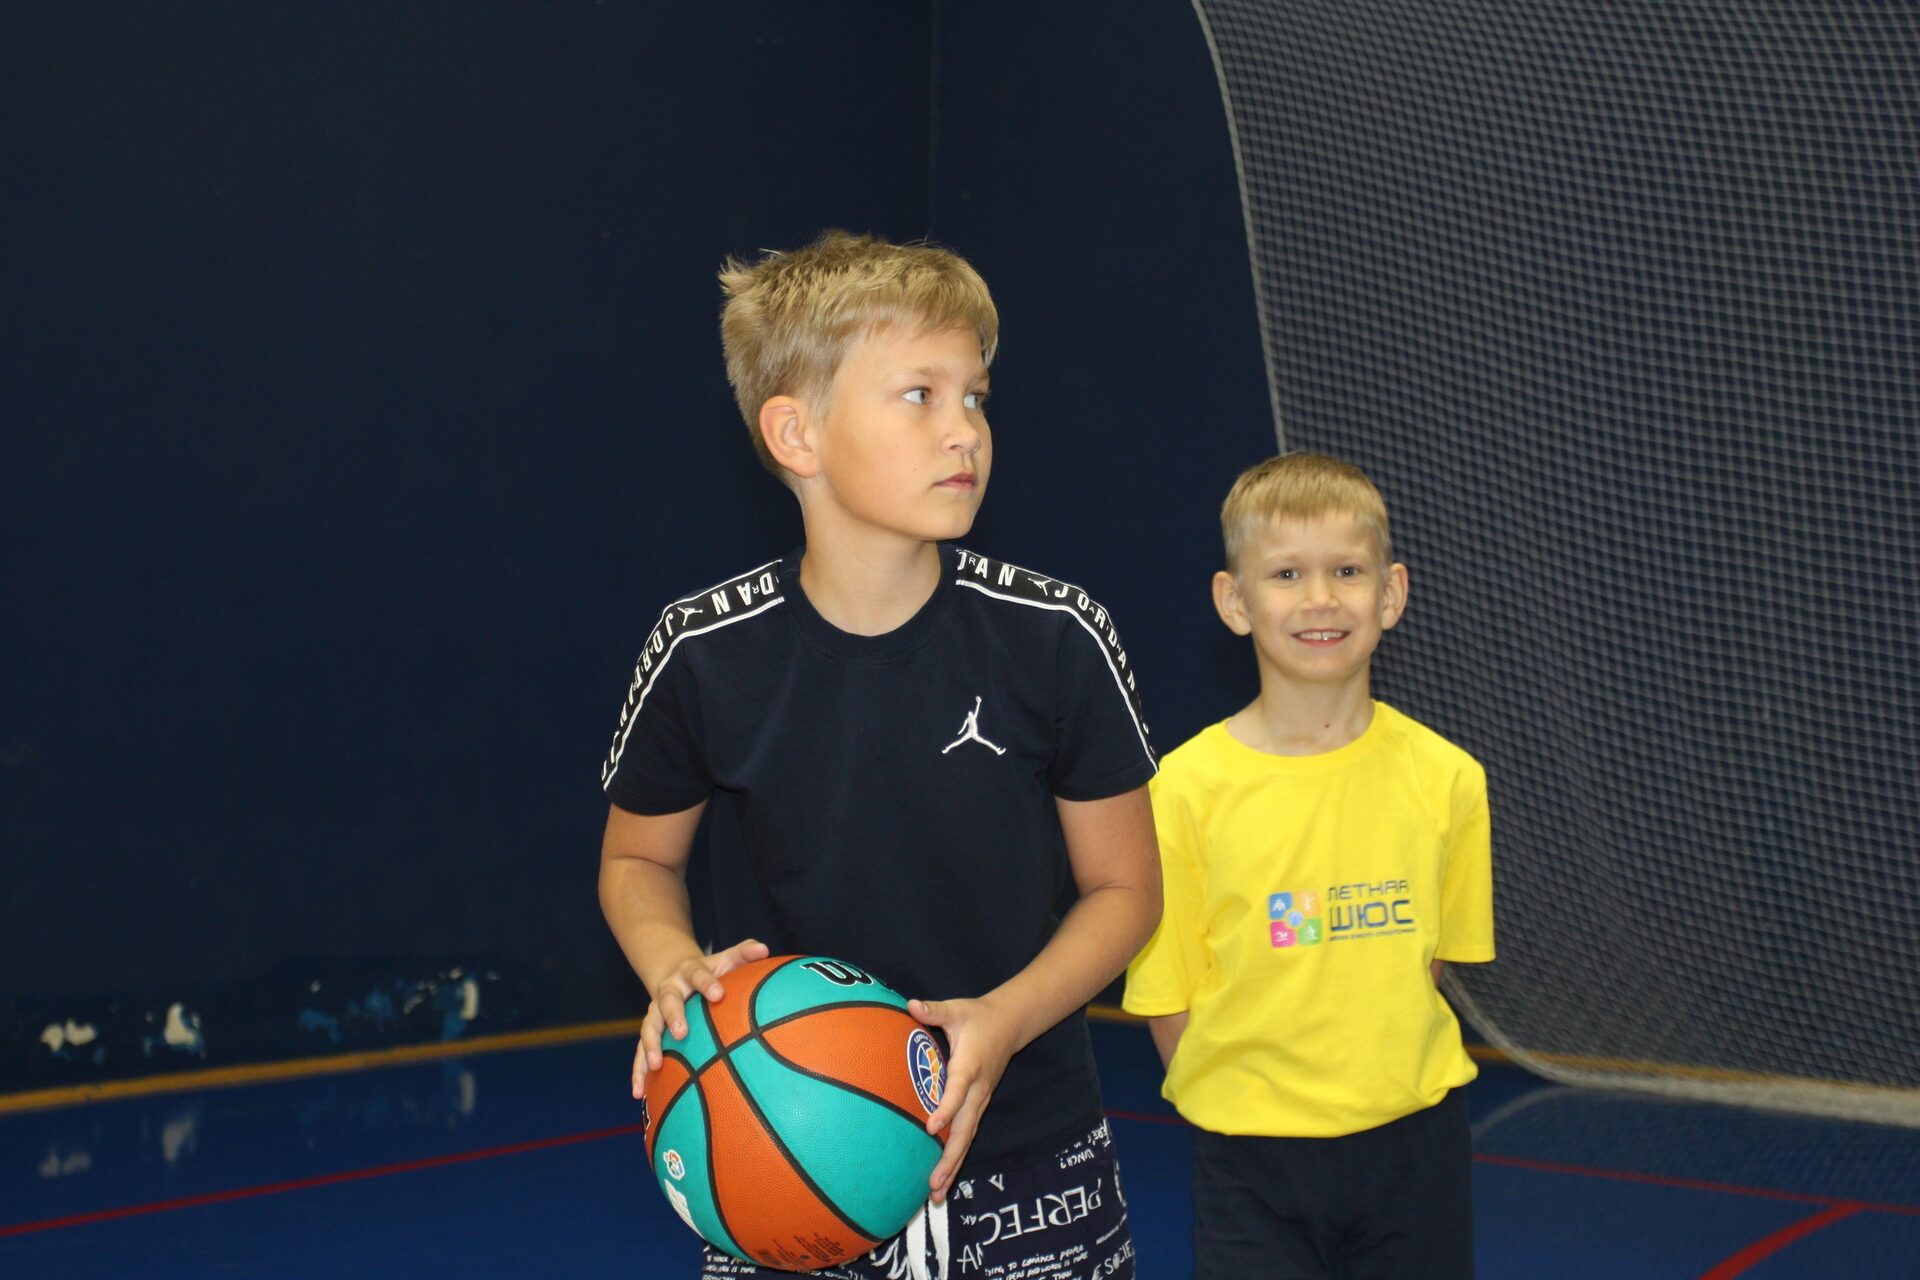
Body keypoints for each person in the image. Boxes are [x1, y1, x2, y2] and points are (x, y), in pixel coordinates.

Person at [599, 230, 1160, 1279]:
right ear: (796, 433)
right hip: (782, 1152)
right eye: (920, 395)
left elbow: (1126, 890)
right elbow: (637, 860)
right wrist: (674, 966)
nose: (965, 430)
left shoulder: (1056, 636)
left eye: (976, 397)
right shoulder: (701, 652)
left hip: (1029, 1152)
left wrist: (1004, 1019)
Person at [1123, 451, 1494, 1280]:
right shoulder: (1182, 792)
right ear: (1235, 601)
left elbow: (1425, 966)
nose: (1321, 598)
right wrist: (1253, 1104)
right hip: (1252, 1166)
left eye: (1347, 571)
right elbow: (1168, 999)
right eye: (1287, 573)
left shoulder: (1450, 781)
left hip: (1416, 1153)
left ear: (1391, 593)